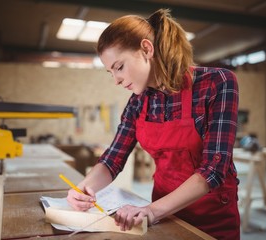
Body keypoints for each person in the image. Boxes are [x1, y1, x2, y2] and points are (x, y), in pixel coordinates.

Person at [66, 8, 240, 240]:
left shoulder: (218, 83)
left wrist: (151, 210)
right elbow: (113, 159)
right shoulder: (138, 103)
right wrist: (84, 188)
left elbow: (213, 170)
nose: (116, 80)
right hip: (163, 215)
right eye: (111, 72)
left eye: (119, 67)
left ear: (147, 49)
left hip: (211, 217)